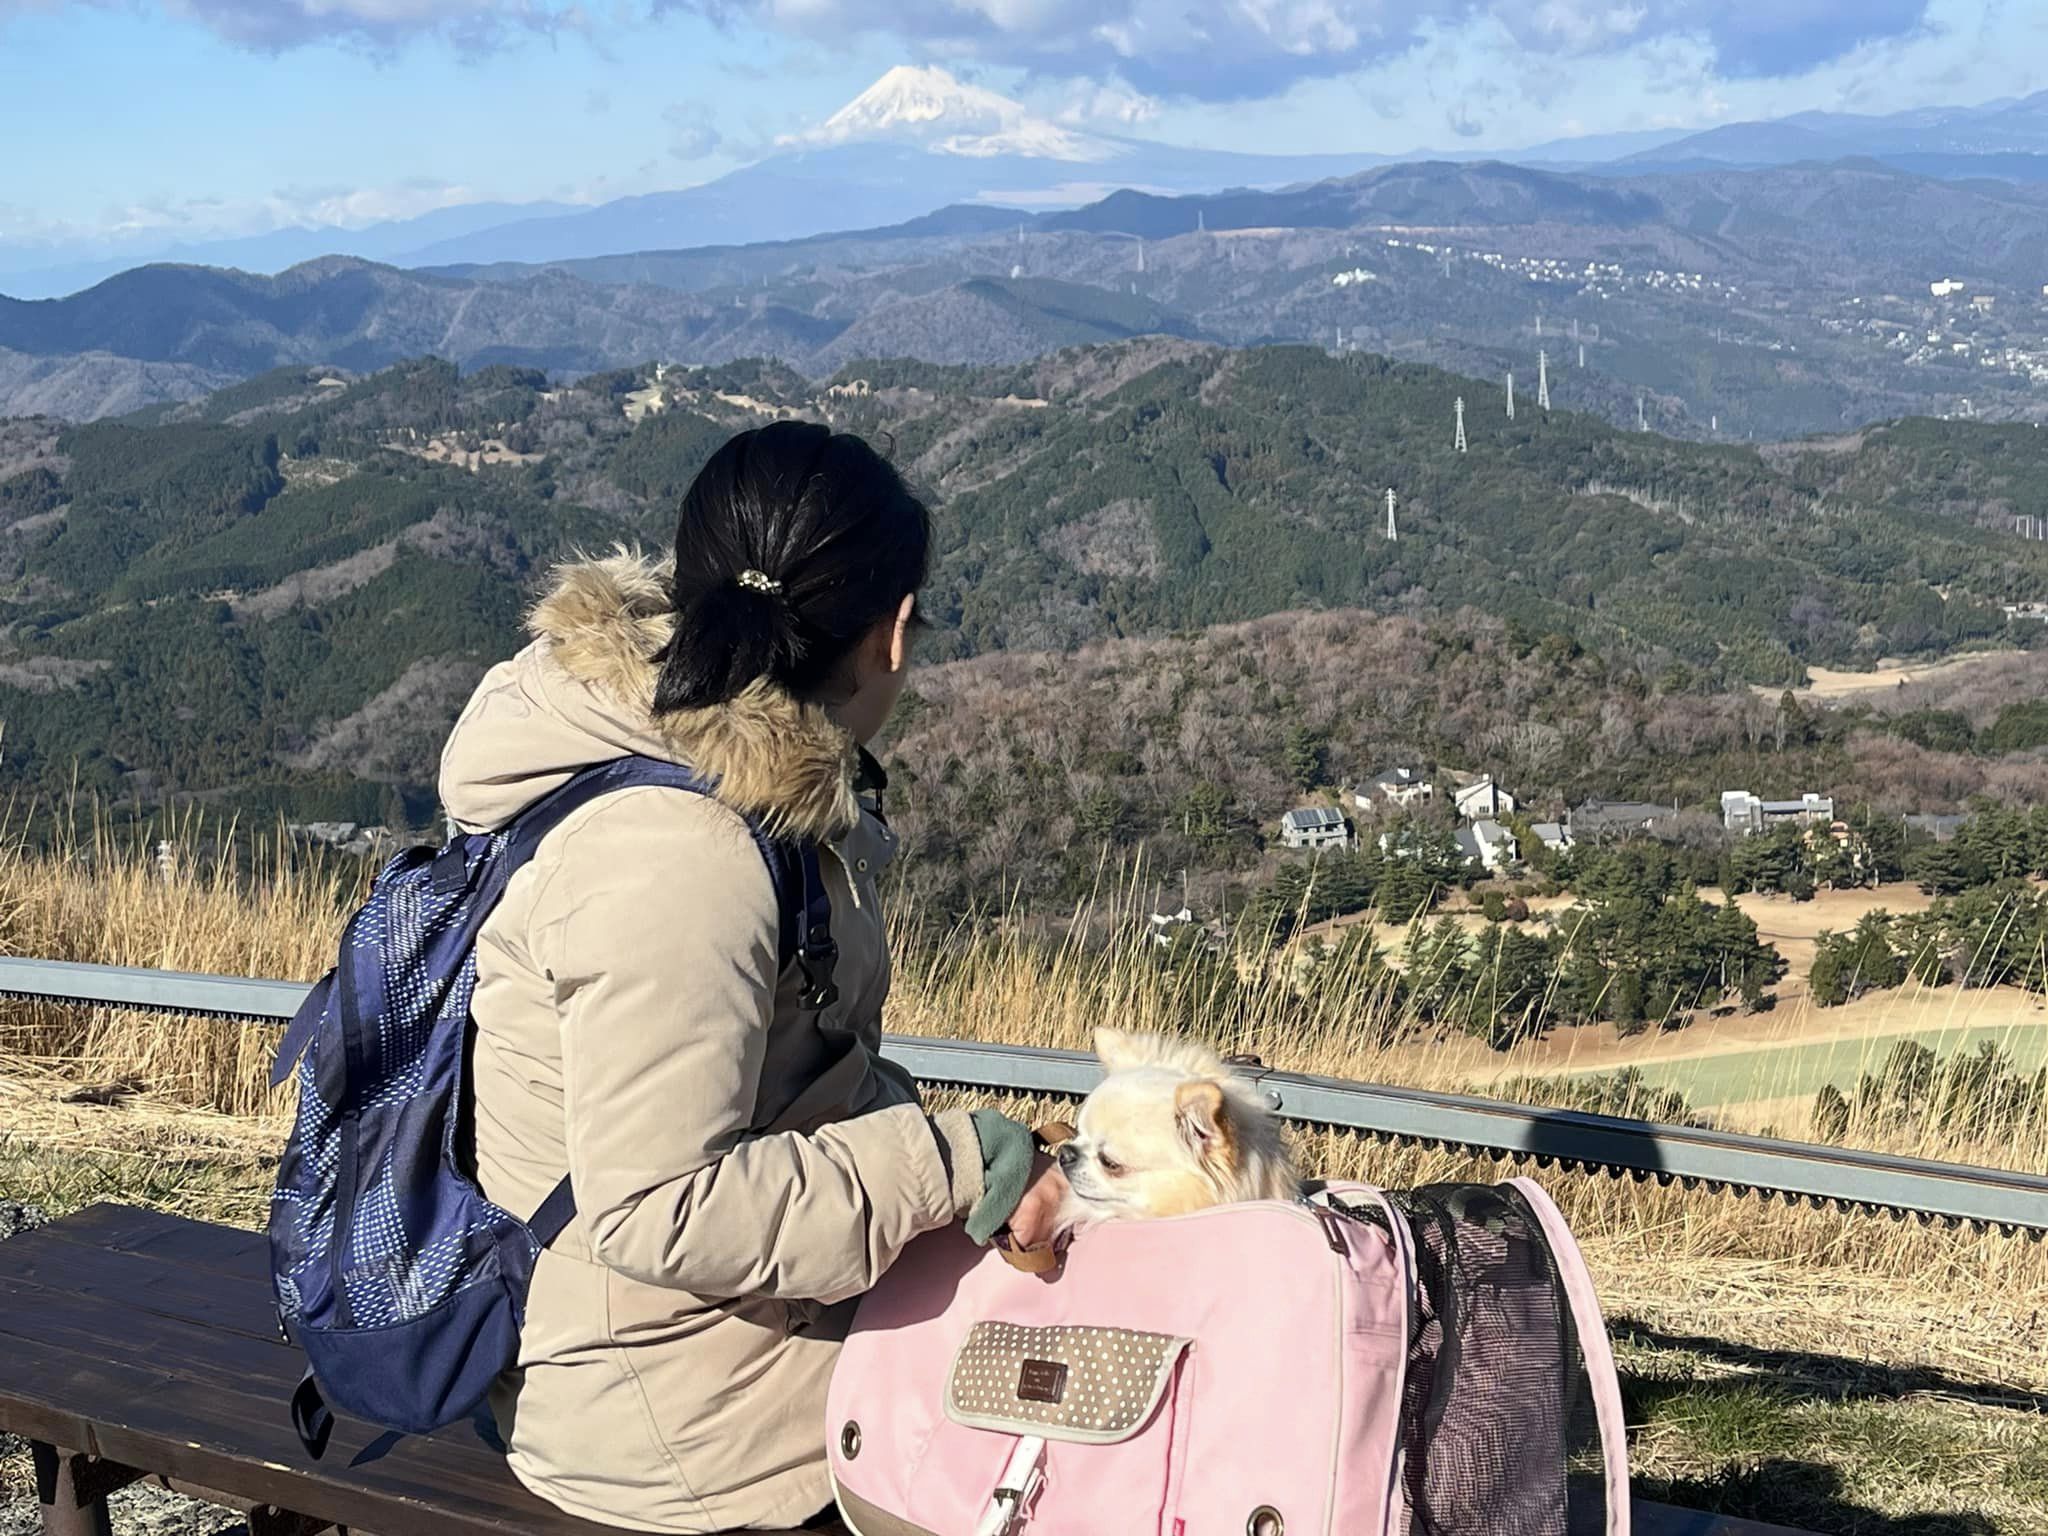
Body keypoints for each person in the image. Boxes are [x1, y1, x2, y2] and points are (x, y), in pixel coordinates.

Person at [438, 421, 1066, 1533]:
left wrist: (966, 1165)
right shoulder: (682, 853)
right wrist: (958, 1159)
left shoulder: (695, 779)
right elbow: (659, 1210)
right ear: (894, 634)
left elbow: (788, 1076)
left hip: (670, 1350)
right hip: (670, 1427)